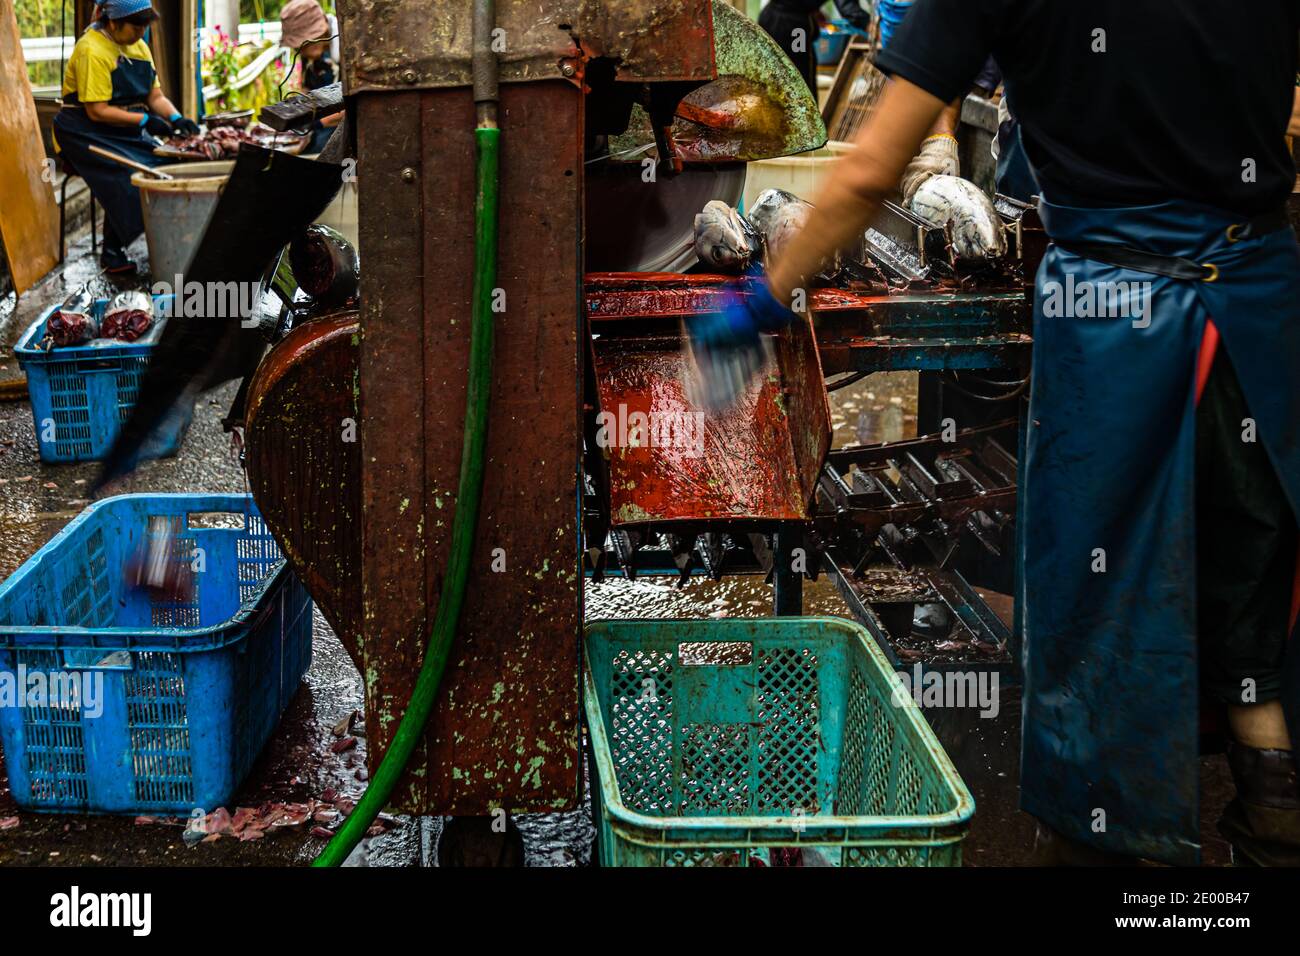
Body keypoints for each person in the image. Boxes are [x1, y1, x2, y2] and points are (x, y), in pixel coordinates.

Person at [696, 0, 1300, 865]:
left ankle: (1113, 846)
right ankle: (1272, 789)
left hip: (1119, 321)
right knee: (1254, 563)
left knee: (1103, 595)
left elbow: (870, 171)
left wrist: (763, 296)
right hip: (1258, 307)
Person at [51, 0, 199, 275]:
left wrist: (176, 118)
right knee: (131, 175)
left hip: (120, 129)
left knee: (164, 167)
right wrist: (145, 120)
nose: (141, 32)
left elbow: (154, 96)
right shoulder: (91, 49)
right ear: (113, 21)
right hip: (82, 131)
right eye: (136, 25)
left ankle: (169, 238)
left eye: (144, 25)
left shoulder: (139, 46)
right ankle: (112, 251)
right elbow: (97, 111)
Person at [757, 0, 870, 94]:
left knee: (772, 78)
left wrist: (812, 8)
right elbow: (850, 10)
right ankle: (805, 118)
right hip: (794, 29)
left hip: (768, 19)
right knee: (801, 77)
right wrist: (875, 29)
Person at [279, 0, 341, 154]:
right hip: (320, 124)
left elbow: (356, 105)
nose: (302, 49)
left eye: (305, 43)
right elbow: (307, 87)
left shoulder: (344, 48)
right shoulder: (310, 53)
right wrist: (296, 110)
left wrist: (317, 122)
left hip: (341, 128)